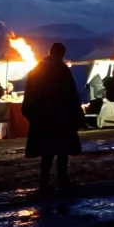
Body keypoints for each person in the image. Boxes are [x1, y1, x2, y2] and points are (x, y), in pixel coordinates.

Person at [22, 41, 86, 189]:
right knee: (62, 150)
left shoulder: (37, 69)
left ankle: (44, 181)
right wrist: (77, 114)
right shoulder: (62, 70)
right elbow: (70, 94)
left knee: (47, 151)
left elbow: (30, 94)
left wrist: (31, 113)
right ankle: (62, 178)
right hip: (61, 117)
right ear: (61, 54)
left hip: (42, 118)